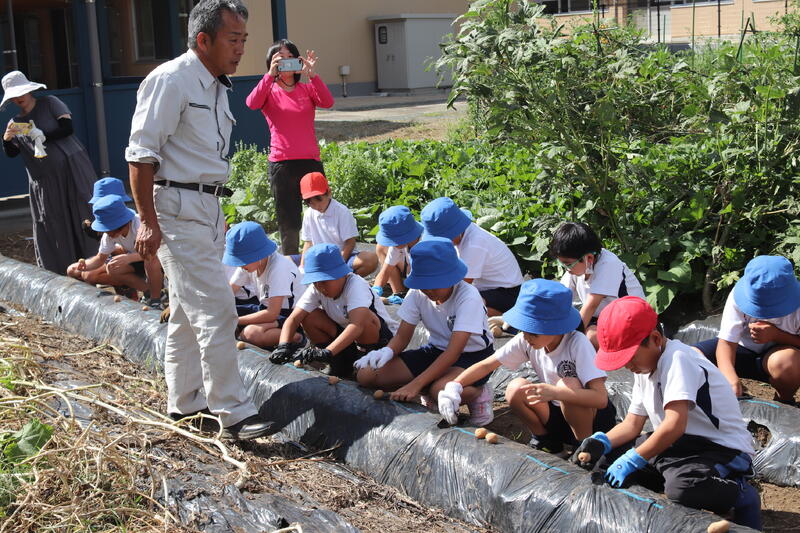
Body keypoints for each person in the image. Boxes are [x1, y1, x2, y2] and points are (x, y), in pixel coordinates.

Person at [125, 0, 273, 440]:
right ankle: (234, 411)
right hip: (175, 208)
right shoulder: (171, 80)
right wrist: (147, 221)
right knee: (216, 307)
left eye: (244, 39)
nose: (241, 49)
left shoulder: (216, 85)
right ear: (203, 39)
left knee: (188, 314)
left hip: (206, 207)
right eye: (233, 39)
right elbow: (140, 156)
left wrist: (216, 211)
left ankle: (185, 402)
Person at [572, 296, 761, 530]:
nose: (627, 366)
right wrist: (602, 442)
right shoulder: (644, 369)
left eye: (630, 358)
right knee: (605, 462)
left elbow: (674, 424)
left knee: (684, 487)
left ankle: (743, 496)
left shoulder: (678, 359)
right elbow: (632, 424)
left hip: (720, 448)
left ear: (655, 339)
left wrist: (633, 459)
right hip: (678, 444)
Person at [438, 279, 615, 451]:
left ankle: (584, 448)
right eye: (524, 329)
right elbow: (487, 365)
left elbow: (600, 399)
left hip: (591, 422)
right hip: (556, 413)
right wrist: (455, 386)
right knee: (516, 388)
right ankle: (546, 440)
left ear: (556, 327)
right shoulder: (526, 340)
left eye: (533, 332)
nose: (527, 337)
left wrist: (556, 393)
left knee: (567, 384)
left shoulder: (577, 343)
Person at [355, 237, 495, 424]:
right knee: (367, 375)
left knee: (440, 391)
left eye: (434, 283)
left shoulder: (468, 296)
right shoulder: (417, 293)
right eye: (424, 284)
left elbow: (454, 352)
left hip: (473, 356)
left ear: (451, 277)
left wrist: (415, 385)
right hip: (436, 350)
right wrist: (385, 352)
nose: (428, 290)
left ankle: (478, 392)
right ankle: (428, 386)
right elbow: (402, 337)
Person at [1, 70, 97, 275]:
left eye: (21, 92)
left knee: (84, 210)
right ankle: (65, 271)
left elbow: (67, 128)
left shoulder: (50, 103)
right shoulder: (15, 123)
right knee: (54, 221)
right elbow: (12, 153)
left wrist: (43, 135)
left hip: (71, 168)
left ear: (29, 91)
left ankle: (98, 264)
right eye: (14, 96)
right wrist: (6, 139)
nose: (19, 98)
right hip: (44, 180)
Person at [245, 38, 334, 256]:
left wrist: (313, 75)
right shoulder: (269, 90)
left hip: (310, 161)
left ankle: (325, 259)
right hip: (282, 164)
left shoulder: (306, 89)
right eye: (280, 58)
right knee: (289, 221)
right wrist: (269, 76)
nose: (286, 61)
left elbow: (327, 102)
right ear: (272, 62)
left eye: (290, 57)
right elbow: (251, 103)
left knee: (322, 212)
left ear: (298, 61)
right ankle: (292, 264)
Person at [271, 243, 396, 378]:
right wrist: (283, 345)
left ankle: (363, 361)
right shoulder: (316, 288)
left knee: (364, 318)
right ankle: (339, 363)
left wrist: (327, 352)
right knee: (308, 316)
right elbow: (294, 318)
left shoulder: (356, 285)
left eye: (324, 281)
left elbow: (357, 325)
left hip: (380, 341)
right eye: (315, 282)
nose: (320, 286)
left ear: (341, 274)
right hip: (347, 340)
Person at [693, 255, 800, 405]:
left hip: (778, 357)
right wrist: (729, 377)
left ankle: (784, 400)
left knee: (788, 362)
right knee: (691, 355)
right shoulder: (740, 294)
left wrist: (776, 335)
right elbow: (726, 343)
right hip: (741, 349)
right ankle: (734, 392)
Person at [420, 197, 523, 316]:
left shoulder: (474, 244)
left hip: (507, 293)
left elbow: (462, 285)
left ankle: (503, 316)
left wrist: (438, 300)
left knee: (464, 303)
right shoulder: (464, 233)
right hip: (486, 288)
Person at [550, 222, 644, 349]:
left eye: (567, 264)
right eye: (562, 264)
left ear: (589, 258)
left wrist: (564, 344)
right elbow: (560, 298)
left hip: (632, 321)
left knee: (588, 338)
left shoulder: (609, 264)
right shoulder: (576, 265)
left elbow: (591, 305)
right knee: (584, 334)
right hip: (603, 319)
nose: (566, 269)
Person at [66, 195, 164, 308]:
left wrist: (128, 258)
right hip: (138, 260)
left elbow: (155, 251)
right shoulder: (108, 235)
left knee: (150, 260)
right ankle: (149, 291)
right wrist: (85, 266)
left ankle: (156, 299)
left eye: (108, 228)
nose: (106, 233)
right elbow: (100, 258)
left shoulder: (139, 224)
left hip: (158, 258)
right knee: (112, 267)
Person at [223, 221, 306, 348]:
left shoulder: (278, 268)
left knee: (251, 333)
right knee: (226, 313)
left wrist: (235, 321)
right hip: (266, 309)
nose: (239, 265)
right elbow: (229, 292)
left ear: (257, 255)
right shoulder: (248, 265)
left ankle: (297, 337)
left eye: (242, 260)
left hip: (290, 315)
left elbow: (272, 313)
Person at [295, 171, 378, 277]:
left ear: (329, 193)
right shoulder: (308, 214)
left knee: (370, 259)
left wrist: (338, 264)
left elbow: (350, 243)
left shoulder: (341, 211)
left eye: (319, 200)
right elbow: (308, 243)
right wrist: (302, 267)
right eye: (311, 202)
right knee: (287, 259)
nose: (316, 206)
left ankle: (346, 280)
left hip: (342, 256)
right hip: (318, 258)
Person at [371, 205, 423, 305]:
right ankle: (400, 293)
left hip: (428, 284)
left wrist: (410, 298)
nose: (391, 243)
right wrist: (375, 290)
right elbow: (385, 271)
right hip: (414, 278)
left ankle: (405, 296)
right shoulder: (399, 244)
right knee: (381, 247)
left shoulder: (425, 246)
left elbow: (425, 281)